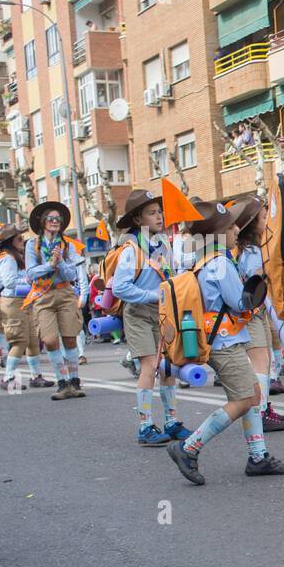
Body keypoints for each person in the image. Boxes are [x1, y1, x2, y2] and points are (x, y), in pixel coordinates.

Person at [166, 200, 284, 484]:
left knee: (252, 395)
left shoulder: (204, 259)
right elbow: (240, 302)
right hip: (226, 342)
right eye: (230, 226)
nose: (237, 229)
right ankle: (189, 447)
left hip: (222, 339)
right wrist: (260, 286)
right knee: (245, 399)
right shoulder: (221, 262)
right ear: (216, 233)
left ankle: (258, 456)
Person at [111, 188, 191, 444]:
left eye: (160, 212)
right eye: (152, 213)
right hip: (138, 313)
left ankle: (171, 421)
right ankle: (145, 427)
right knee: (150, 366)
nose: (159, 217)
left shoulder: (164, 243)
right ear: (138, 219)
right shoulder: (131, 249)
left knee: (167, 366)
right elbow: (120, 287)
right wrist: (152, 295)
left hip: (162, 311)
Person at [231, 196, 284, 432]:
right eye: (263, 217)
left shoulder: (253, 248)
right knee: (261, 362)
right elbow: (257, 276)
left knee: (264, 360)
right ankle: (260, 412)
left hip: (257, 312)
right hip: (252, 313)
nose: (267, 220)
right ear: (250, 223)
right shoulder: (252, 251)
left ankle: (264, 408)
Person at [24, 202, 87, 400]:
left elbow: (72, 273)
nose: (54, 222)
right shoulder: (32, 245)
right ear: (43, 223)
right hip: (43, 296)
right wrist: (49, 265)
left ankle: (73, 382)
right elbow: (31, 272)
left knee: (69, 338)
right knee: (50, 340)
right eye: (51, 219)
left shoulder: (67, 245)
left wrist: (59, 263)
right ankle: (61, 382)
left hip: (65, 293)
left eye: (58, 219)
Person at [0, 223, 50, 391]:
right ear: (10, 241)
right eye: (18, 237)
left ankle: (36, 376)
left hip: (24, 302)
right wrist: (29, 281)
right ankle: (8, 377)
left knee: (32, 340)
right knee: (19, 341)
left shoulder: (16, 256)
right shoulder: (7, 258)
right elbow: (9, 282)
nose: (22, 239)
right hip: (13, 302)